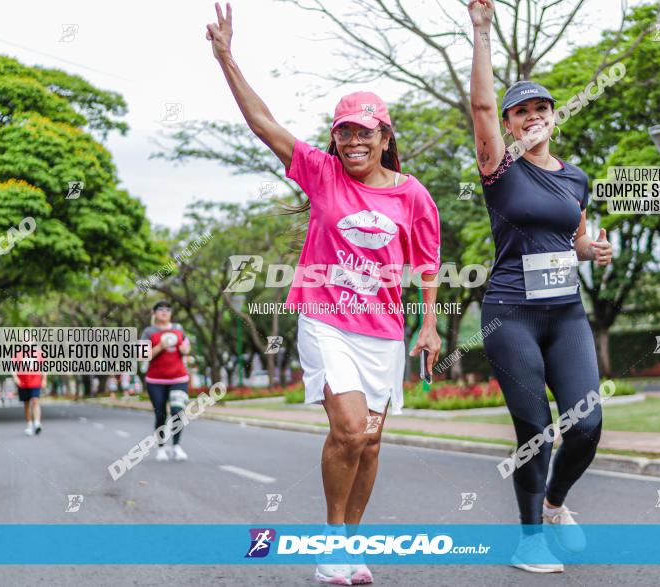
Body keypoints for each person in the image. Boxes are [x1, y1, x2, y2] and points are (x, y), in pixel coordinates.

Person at [206, 4, 442, 584]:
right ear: (334, 138)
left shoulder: (413, 196)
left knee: (372, 443)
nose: (354, 140)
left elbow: (430, 265)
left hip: (384, 331)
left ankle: (351, 544)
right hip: (325, 319)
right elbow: (264, 123)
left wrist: (431, 326)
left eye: (365, 131)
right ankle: (331, 542)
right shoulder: (320, 172)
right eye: (344, 131)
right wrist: (226, 58)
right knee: (348, 429)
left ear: (386, 137)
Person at [468, 0, 613, 574]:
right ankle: (530, 540)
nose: (531, 116)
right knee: (535, 430)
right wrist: (481, 31)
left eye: (540, 108)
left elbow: (571, 236)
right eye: (520, 111)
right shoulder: (500, 167)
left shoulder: (575, 177)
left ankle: (555, 504)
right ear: (507, 124)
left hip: (566, 314)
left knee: (589, 422)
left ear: (554, 114)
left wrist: (591, 249)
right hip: (511, 314)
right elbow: (480, 100)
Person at [140, 301, 192, 462]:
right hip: (155, 380)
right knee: (160, 414)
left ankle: (176, 447)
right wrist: (160, 346)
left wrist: (185, 350)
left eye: (168, 309)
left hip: (179, 378)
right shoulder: (148, 332)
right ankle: (161, 448)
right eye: (160, 309)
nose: (164, 312)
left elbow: (187, 347)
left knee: (178, 412)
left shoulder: (178, 329)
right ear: (154, 313)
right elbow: (142, 355)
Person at [14, 348, 45, 436]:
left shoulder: (38, 353)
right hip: (23, 382)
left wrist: (44, 379)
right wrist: (15, 377)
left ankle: (37, 423)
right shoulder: (17, 353)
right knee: (26, 403)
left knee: (35, 400)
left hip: (35, 380)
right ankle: (29, 425)